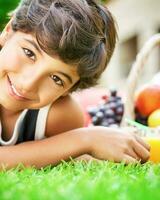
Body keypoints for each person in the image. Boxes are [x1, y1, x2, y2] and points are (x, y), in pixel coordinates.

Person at [0, 0, 150, 170]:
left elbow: (71, 160)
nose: (28, 84)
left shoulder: (60, 116)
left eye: (56, 79)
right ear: (8, 31)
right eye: (29, 53)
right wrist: (85, 139)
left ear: (69, 89)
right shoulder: (78, 136)